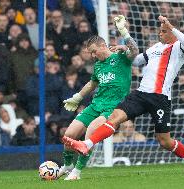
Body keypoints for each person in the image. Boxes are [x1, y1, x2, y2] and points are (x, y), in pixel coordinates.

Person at [63, 16, 184, 173]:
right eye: (160, 31)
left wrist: (171, 26)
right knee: (114, 118)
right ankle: (86, 144)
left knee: (165, 141)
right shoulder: (156, 47)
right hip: (141, 93)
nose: (160, 34)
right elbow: (136, 60)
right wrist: (125, 49)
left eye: (164, 31)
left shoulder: (179, 48)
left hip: (159, 98)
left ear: (173, 32)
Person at [59, 15, 139, 180]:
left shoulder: (121, 57)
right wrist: (77, 97)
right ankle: (67, 166)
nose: (93, 56)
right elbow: (92, 84)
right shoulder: (98, 66)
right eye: (91, 53)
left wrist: (123, 31)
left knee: (90, 134)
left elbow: (135, 51)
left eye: (94, 51)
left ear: (103, 45)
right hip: (95, 105)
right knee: (69, 135)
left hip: (113, 107)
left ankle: (77, 172)